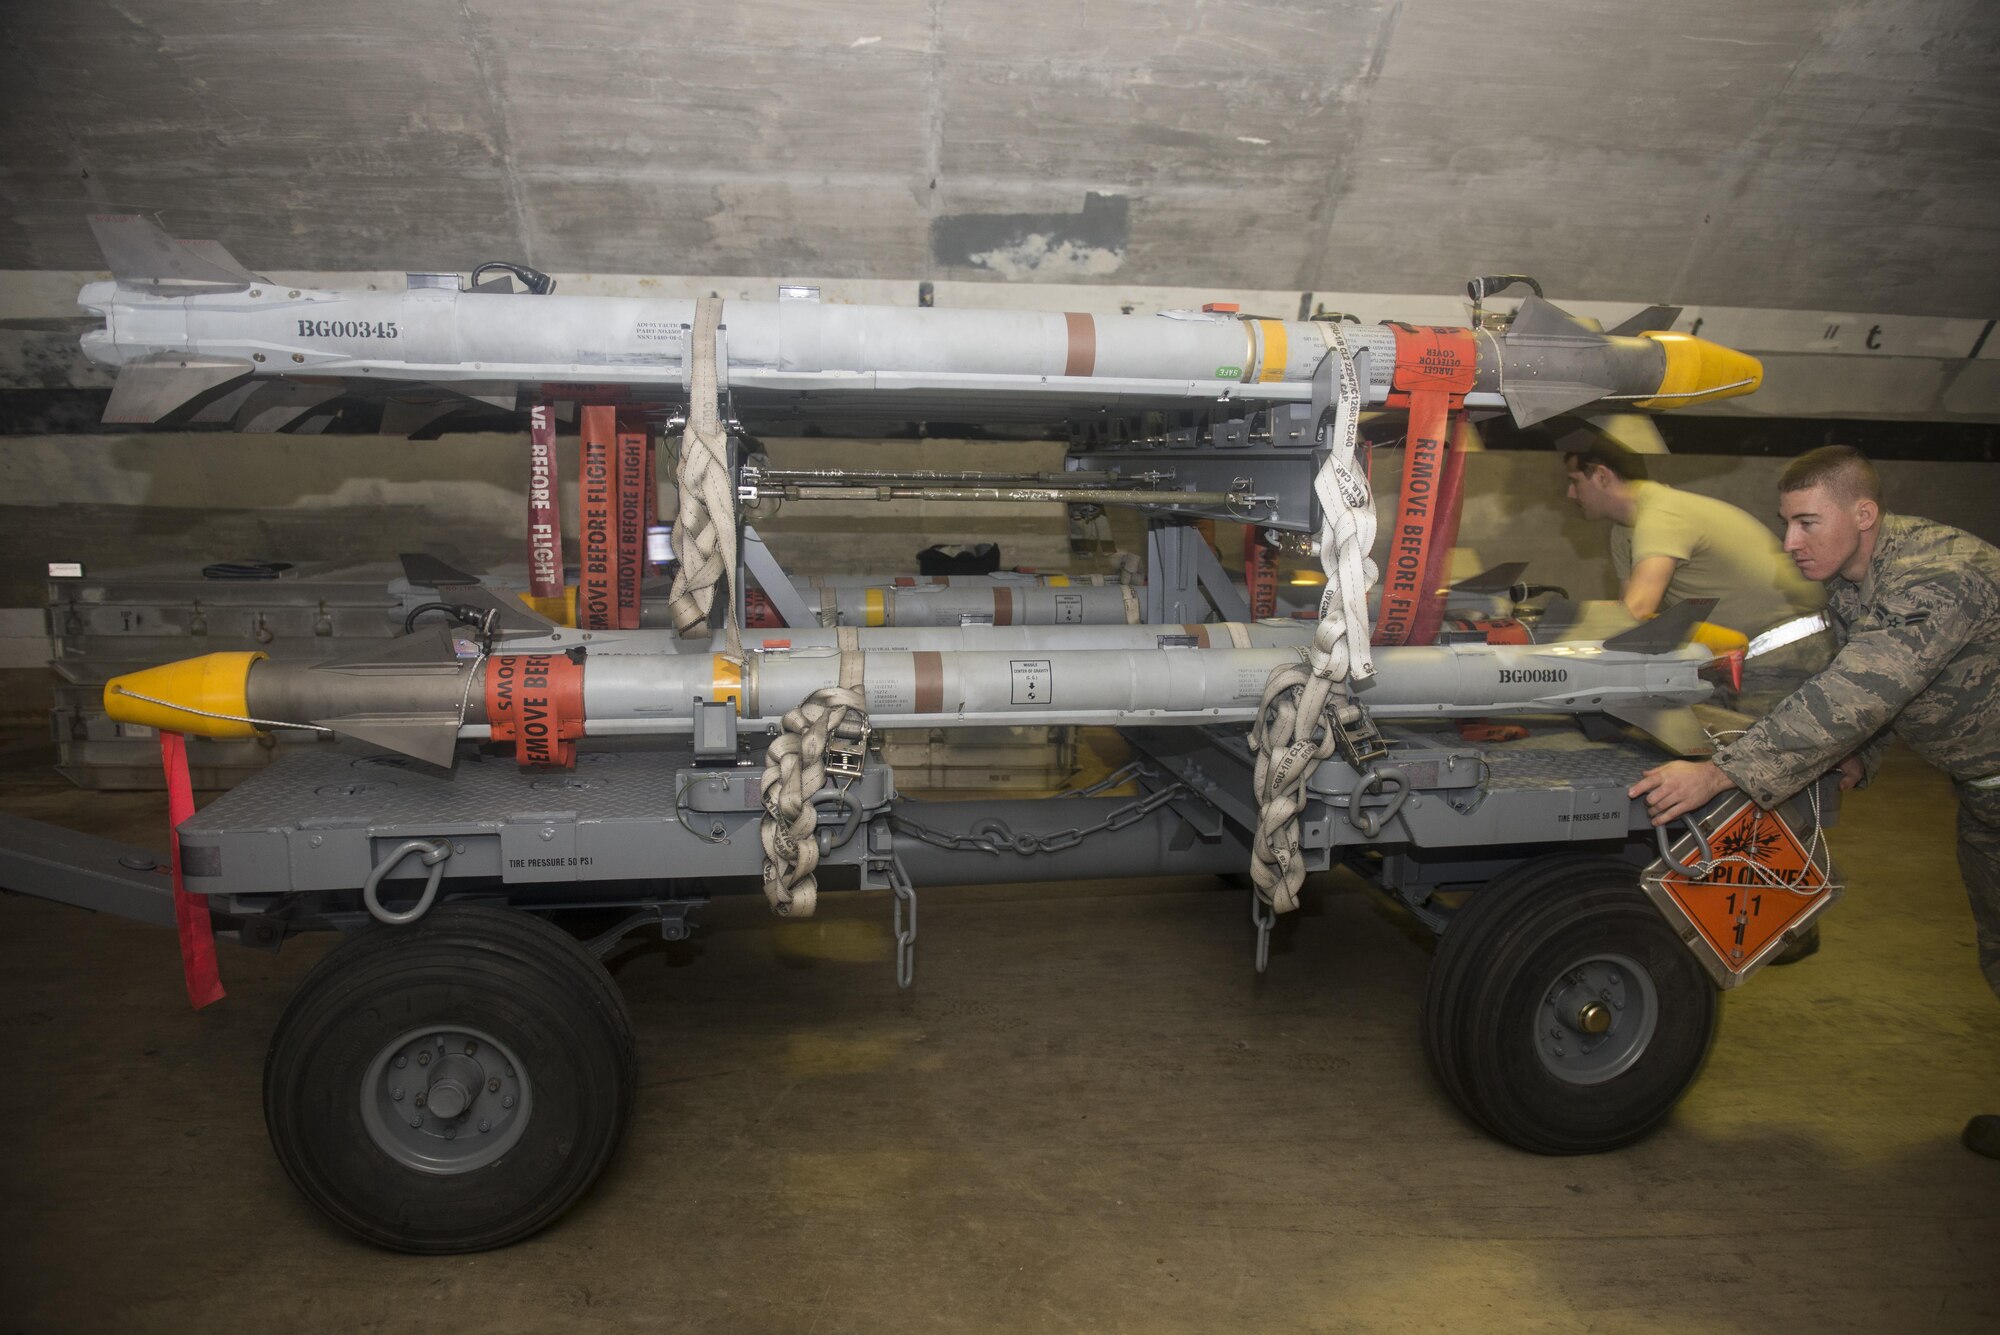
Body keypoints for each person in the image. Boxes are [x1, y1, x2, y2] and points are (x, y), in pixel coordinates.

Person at [1628, 446, 2000, 1161]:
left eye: (1806, 523)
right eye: (1785, 523)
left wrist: (1720, 774)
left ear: (1864, 514)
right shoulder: (1859, 580)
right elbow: (1888, 688)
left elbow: (1859, 690)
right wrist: (1867, 753)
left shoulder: (1934, 578)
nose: (1791, 543)